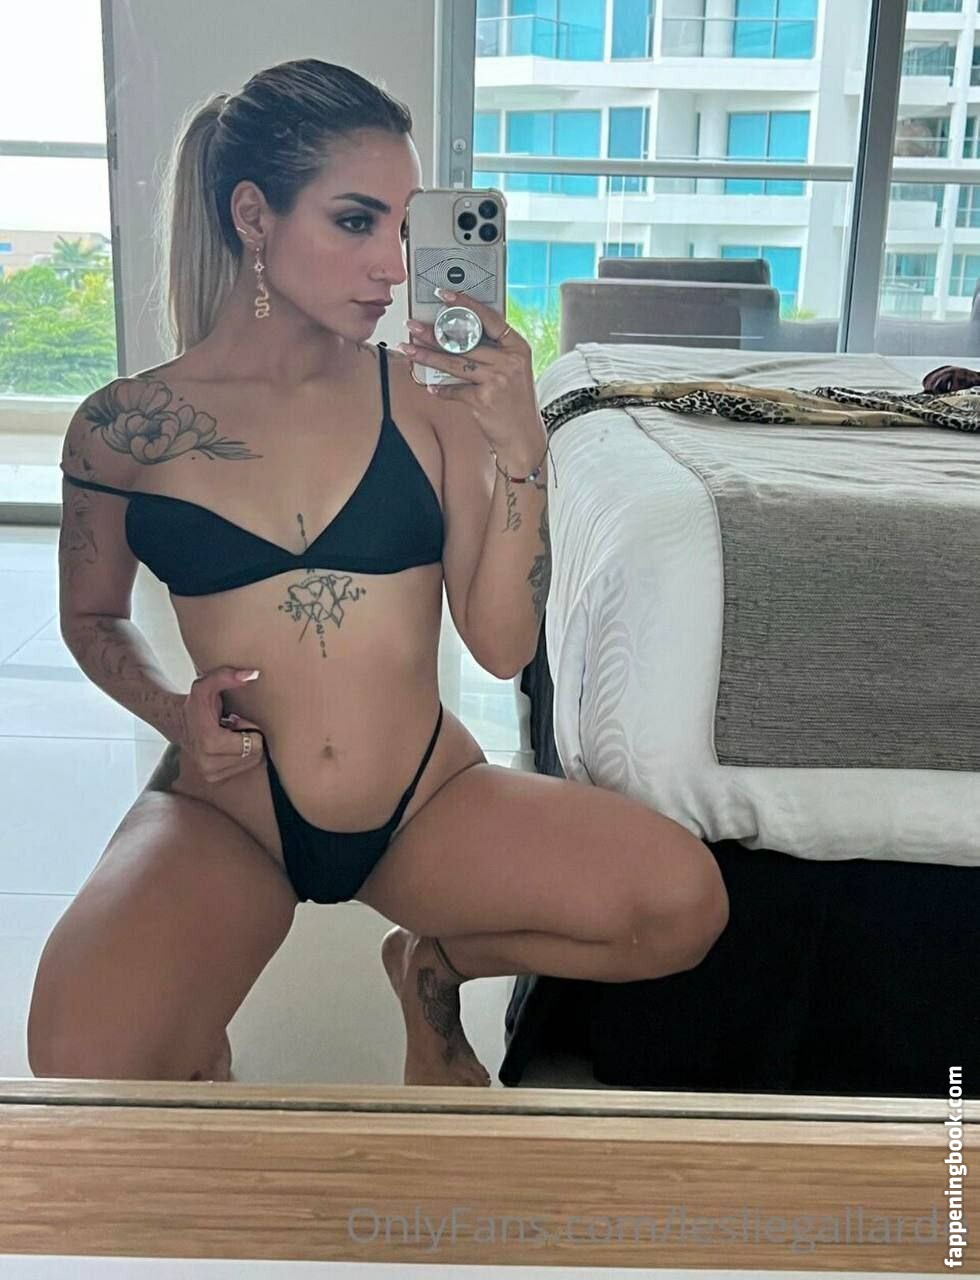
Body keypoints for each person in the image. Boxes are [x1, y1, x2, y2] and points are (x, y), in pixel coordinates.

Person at [27, 59, 729, 1088]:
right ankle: (197, 1038)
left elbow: (501, 647)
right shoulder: (126, 426)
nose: (391, 268)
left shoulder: (430, 403)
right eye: (355, 222)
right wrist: (173, 709)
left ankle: (430, 968)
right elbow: (90, 618)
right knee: (82, 1063)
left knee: (681, 906)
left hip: (420, 802)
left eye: (404, 229)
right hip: (231, 809)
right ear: (254, 216)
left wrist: (521, 448)